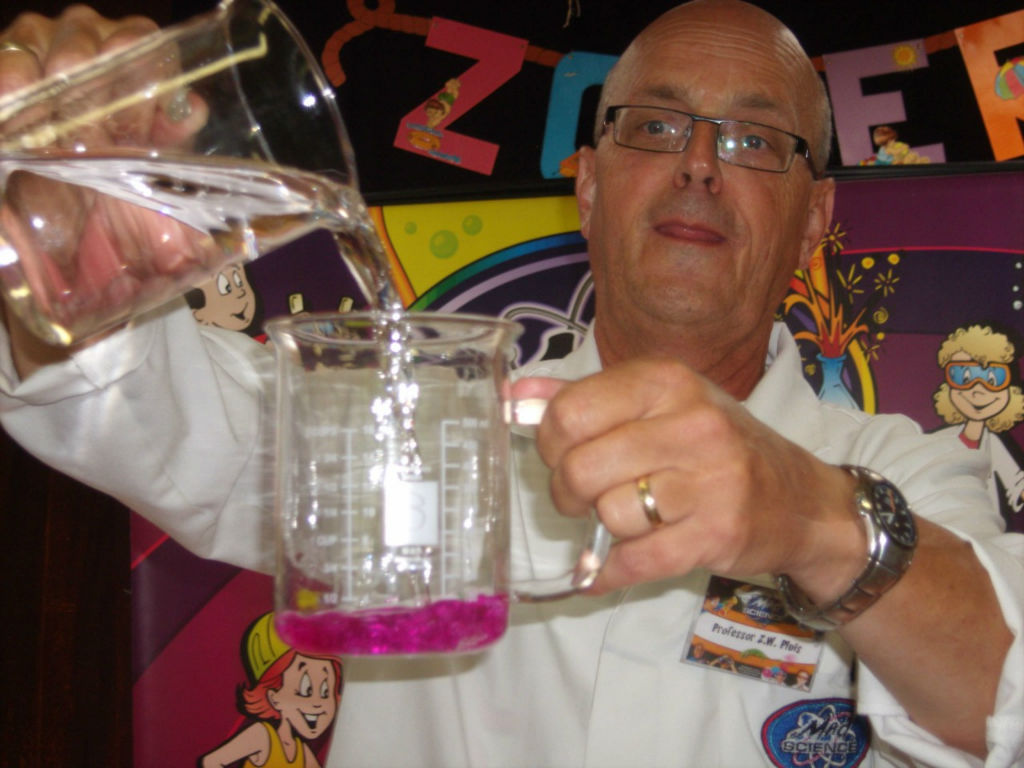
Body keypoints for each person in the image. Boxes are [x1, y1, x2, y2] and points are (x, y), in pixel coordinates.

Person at [0, 1, 1021, 766]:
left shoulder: (901, 474)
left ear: (814, 220)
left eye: (753, 140)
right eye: (655, 126)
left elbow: (998, 699)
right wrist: (66, 255)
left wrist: (810, 521)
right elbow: (146, 409)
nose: (699, 166)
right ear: (589, 185)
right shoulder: (421, 427)